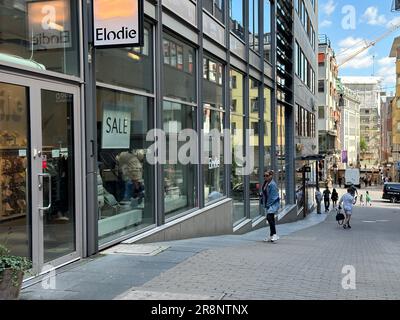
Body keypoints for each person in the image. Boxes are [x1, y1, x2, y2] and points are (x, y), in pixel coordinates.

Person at [260, 170, 280, 242]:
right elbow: (265, 192)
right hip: (268, 203)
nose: (265, 177)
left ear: (271, 176)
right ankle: (272, 235)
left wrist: (268, 204)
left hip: (273, 204)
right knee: (271, 219)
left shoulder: (272, 184)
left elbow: (273, 196)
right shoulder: (266, 183)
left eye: (267, 175)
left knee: (269, 218)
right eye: (264, 176)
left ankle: (274, 235)